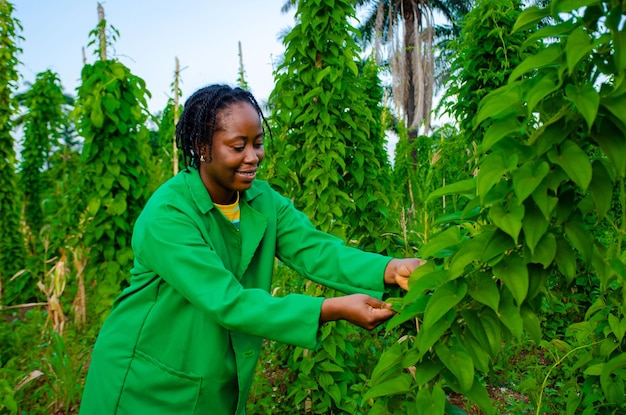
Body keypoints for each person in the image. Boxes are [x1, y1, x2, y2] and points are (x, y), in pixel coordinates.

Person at [79, 84, 423, 414]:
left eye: (257, 143)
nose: (252, 157)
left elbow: (316, 250)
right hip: (143, 382)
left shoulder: (262, 200)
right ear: (202, 146)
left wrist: (390, 268)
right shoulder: (168, 215)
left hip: (207, 377)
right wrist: (329, 308)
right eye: (237, 146)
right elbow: (228, 300)